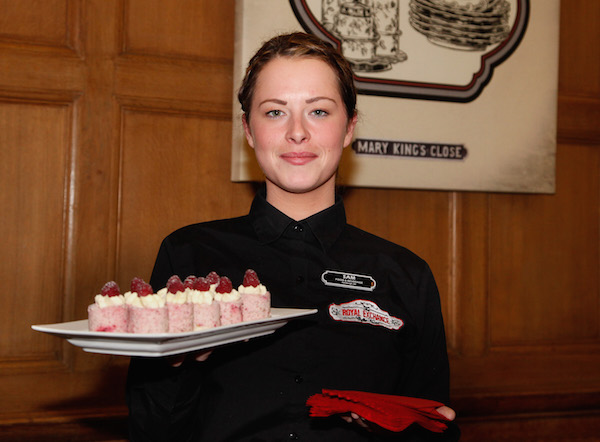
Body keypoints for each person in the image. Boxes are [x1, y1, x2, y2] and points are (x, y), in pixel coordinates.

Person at [126, 32, 459, 441]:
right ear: (248, 130)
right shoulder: (188, 256)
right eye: (274, 112)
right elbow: (151, 428)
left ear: (349, 127)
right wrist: (175, 362)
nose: (297, 132)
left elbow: (431, 423)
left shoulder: (405, 274)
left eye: (319, 111)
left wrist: (395, 428)